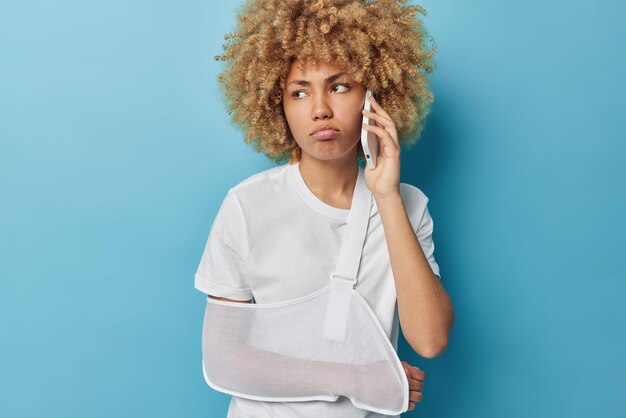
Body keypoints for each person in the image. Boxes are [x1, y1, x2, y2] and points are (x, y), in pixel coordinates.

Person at [194, 0, 454, 416]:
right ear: (276, 103)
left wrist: (386, 196)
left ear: (373, 97)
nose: (320, 110)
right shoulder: (247, 206)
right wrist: (357, 378)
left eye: (339, 86)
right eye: (299, 92)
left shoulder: (407, 205)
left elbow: (430, 340)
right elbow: (225, 360)